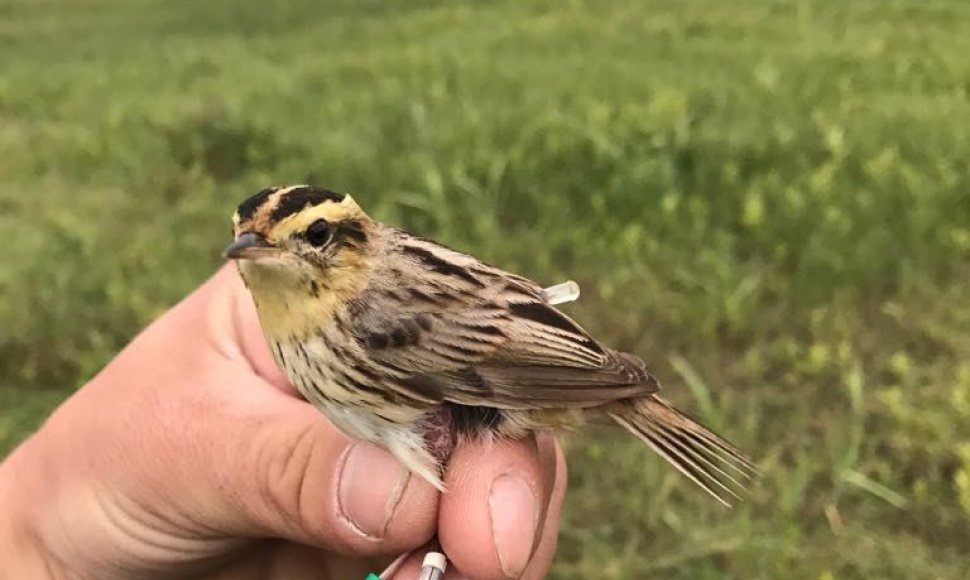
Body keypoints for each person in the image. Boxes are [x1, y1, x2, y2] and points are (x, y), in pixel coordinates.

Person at [0, 266, 566, 579]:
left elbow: (498, 360)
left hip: (512, 384)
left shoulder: (370, 320)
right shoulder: (296, 326)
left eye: (315, 239)